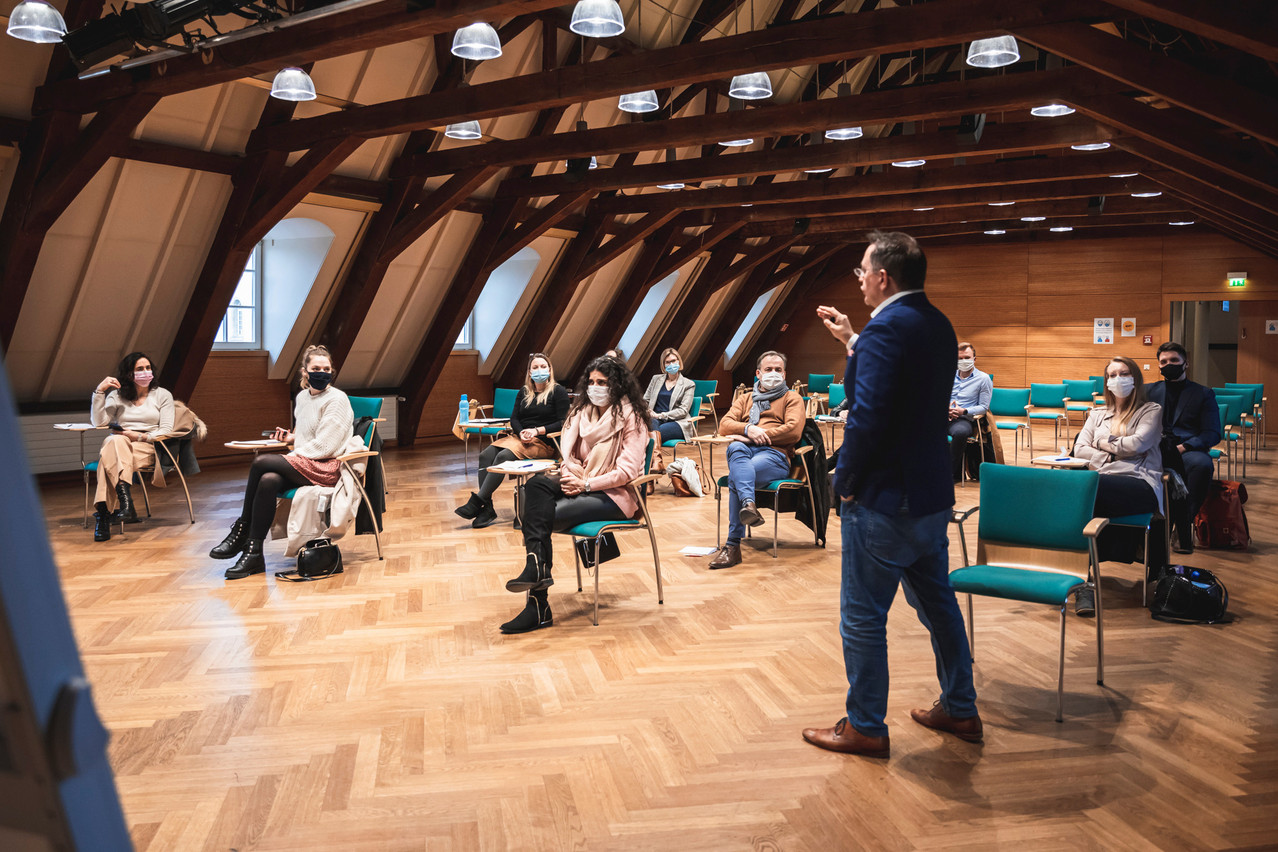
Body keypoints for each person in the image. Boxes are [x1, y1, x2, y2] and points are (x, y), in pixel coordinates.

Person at [803, 231, 980, 758]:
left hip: (886, 495)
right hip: (930, 490)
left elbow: (870, 416)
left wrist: (845, 481)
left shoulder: (886, 330)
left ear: (883, 277)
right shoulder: (937, 323)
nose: (858, 278)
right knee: (939, 606)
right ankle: (961, 707)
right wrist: (853, 339)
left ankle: (865, 726)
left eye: (861, 270)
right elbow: (907, 389)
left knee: (861, 614)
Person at [500, 356, 651, 634]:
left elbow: (626, 473)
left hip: (615, 496)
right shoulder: (583, 414)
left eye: (602, 383)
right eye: (591, 382)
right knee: (533, 487)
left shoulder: (633, 418)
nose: (595, 387)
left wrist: (585, 485)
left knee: (543, 516)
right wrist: (571, 473)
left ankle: (538, 603)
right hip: (582, 480)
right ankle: (537, 570)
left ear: (617, 385)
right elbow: (570, 457)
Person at [209, 345, 354, 580]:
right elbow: (309, 436)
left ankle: (242, 530)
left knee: (261, 463)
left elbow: (326, 446)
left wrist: (291, 456)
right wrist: (291, 439)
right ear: (305, 372)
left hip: (328, 467)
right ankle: (254, 554)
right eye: (316, 368)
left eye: (326, 369)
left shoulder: (337, 399)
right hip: (307, 463)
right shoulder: (302, 397)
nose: (322, 372)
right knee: (268, 480)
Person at [1072, 355, 1163, 614]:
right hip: (1101, 481)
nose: (1117, 379)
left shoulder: (1151, 410)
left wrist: (1100, 443)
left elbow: (1139, 444)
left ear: (1135, 377)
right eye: (1111, 375)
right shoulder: (1097, 413)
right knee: (1079, 497)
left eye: (1123, 373)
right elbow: (1079, 450)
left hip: (1139, 483)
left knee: (1079, 493)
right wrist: (1112, 453)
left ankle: (1079, 579)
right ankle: (1083, 580)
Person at [707, 351, 805, 569]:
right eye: (768, 370)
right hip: (745, 450)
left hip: (775, 455)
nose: (773, 374)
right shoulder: (746, 398)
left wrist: (762, 435)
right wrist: (748, 428)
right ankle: (748, 505)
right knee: (735, 446)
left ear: (785, 374)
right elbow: (725, 424)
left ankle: (733, 545)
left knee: (736, 477)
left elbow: (793, 431)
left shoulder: (792, 398)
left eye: (778, 370)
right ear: (758, 373)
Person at [456, 353, 570, 529]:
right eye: (535, 367)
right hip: (520, 438)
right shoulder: (524, 392)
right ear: (529, 372)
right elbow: (514, 418)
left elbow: (563, 423)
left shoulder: (558, 391)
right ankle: (487, 507)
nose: (539, 370)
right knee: (485, 456)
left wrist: (536, 431)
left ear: (549, 370)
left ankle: (478, 501)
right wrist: (522, 432)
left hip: (545, 442)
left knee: (503, 457)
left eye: (543, 366)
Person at [89, 352, 175, 541]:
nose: (145, 372)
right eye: (139, 369)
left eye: (147, 368)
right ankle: (125, 504)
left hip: (148, 445)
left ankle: (103, 515)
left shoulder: (162, 395)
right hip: (121, 444)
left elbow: (167, 430)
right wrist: (99, 392)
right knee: (115, 440)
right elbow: (99, 422)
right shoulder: (117, 395)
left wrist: (140, 436)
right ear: (129, 374)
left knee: (107, 460)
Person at [1146, 342, 1220, 554]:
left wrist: (1183, 447)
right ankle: (1147, 524)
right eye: (1164, 362)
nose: (1169, 364)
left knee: (1202, 465)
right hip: (1154, 447)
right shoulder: (1148, 391)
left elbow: (1212, 433)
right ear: (1159, 366)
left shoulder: (1203, 393)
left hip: (1186, 449)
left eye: (1174, 361)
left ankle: (1183, 523)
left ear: (1185, 363)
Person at [948, 342, 993, 482]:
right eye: (959, 358)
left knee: (960, 433)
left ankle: (950, 473)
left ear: (974, 359)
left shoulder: (983, 379)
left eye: (966, 357)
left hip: (964, 419)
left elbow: (983, 407)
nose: (963, 361)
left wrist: (964, 411)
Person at [643, 347, 697, 445]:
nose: (671, 364)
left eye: (673, 361)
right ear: (663, 365)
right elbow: (645, 400)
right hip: (655, 418)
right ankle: (655, 458)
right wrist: (648, 411)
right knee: (650, 429)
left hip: (677, 422)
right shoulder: (656, 379)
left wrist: (661, 415)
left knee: (655, 434)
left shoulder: (688, 384)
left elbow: (683, 411)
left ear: (679, 362)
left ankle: (652, 459)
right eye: (667, 362)